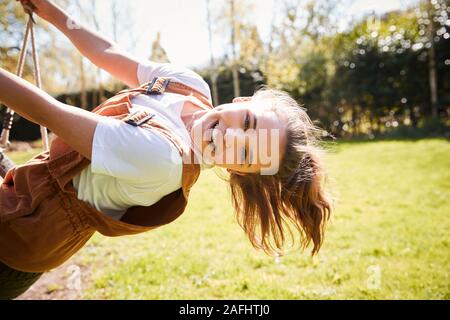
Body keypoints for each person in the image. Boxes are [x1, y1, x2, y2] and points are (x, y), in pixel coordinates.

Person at [0, 0, 331, 299]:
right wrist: (52, 11)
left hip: (17, 237)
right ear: (243, 100)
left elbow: (47, 112)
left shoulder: (163, 159)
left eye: (245, 154)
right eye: (246, 122)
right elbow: (108, 53)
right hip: (25, 189)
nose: (231, 138)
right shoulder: (189, 85)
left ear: (237, 171)